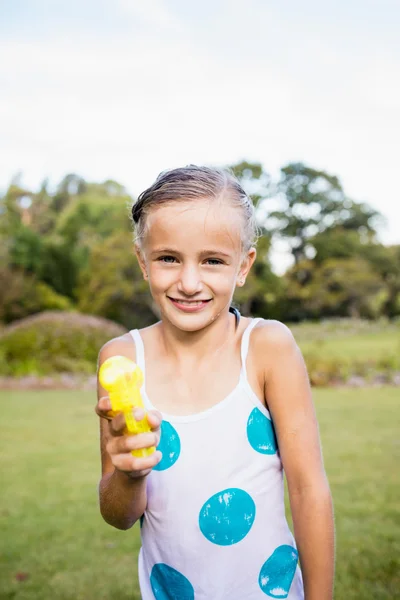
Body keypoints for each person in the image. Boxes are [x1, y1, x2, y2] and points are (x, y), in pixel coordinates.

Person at [95, 165, 335, 600]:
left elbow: (308, 489)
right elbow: (119, 515)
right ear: (142, 261)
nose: (189, 283)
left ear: (243, 266)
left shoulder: (266, 347)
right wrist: (129, 476)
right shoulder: (123, 359)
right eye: (168, 258)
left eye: (212, 261)